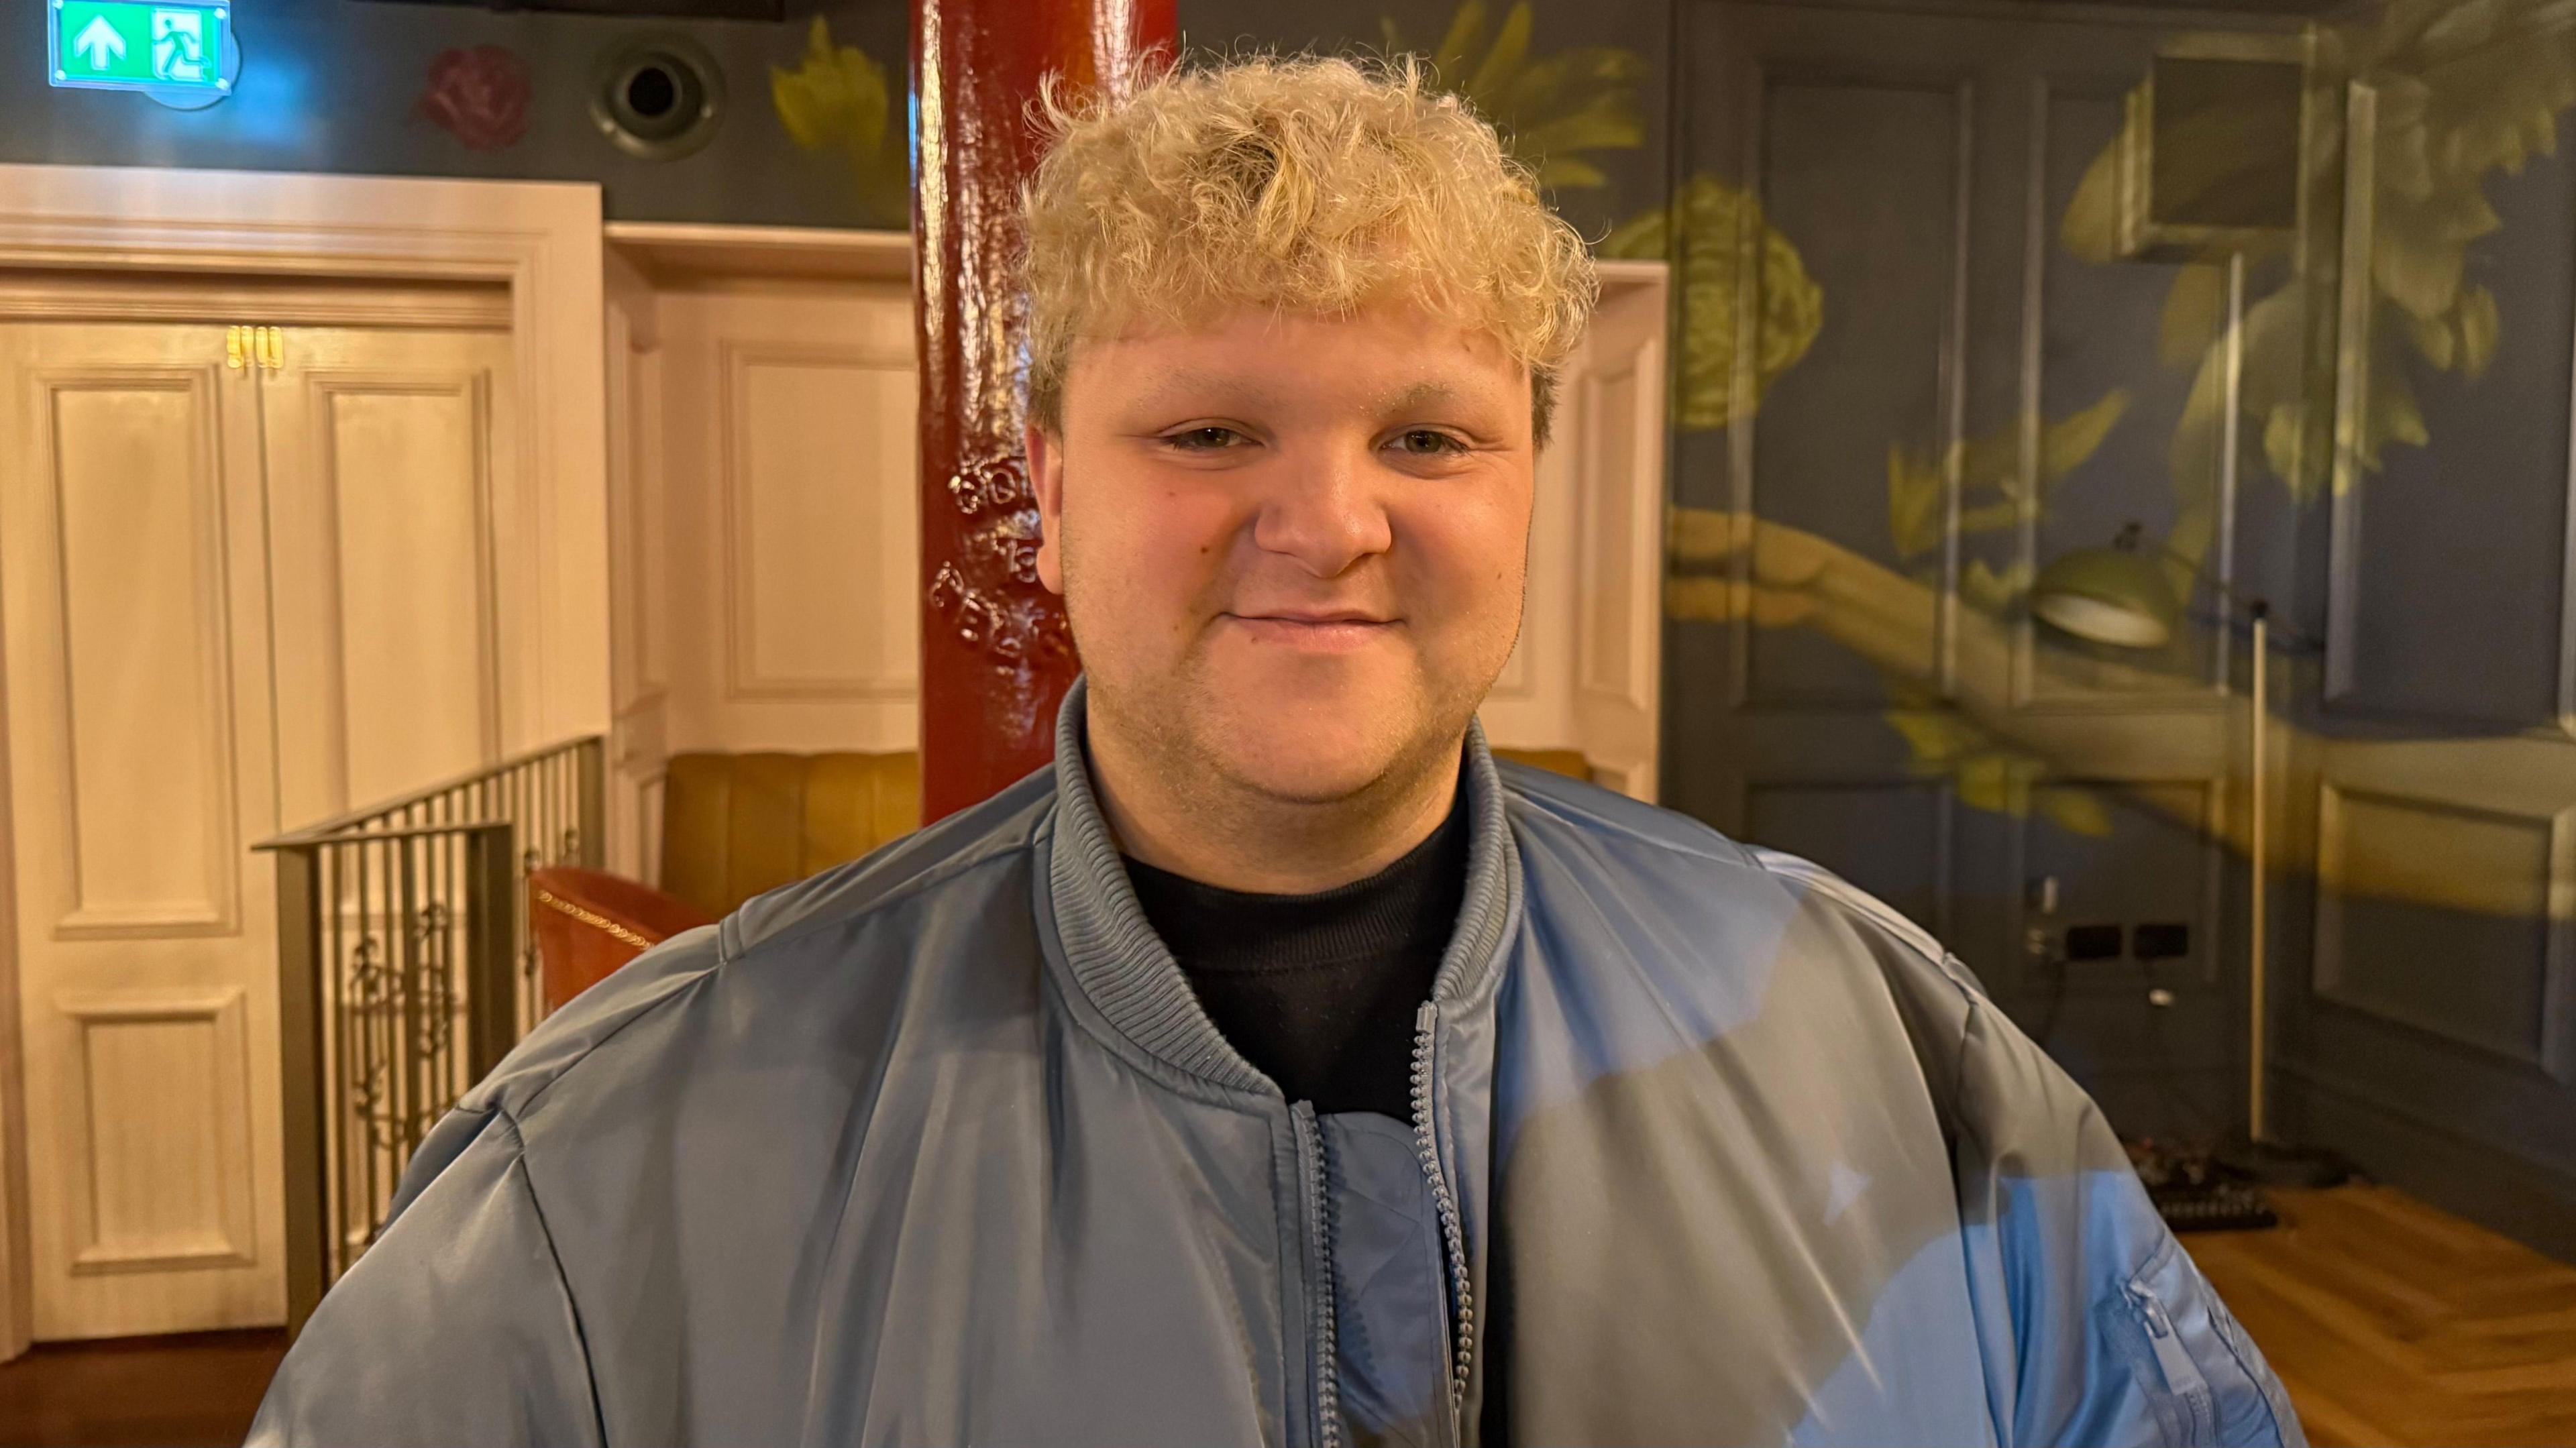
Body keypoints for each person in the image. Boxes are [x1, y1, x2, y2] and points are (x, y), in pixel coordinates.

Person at [249, 55, 2302, 1448]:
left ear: (1528, 492)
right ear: (1048, 498)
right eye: (1212, 432)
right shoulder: (626, 1149)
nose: (1328, 525)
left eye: (1426, 434)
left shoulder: (1883, 1037)